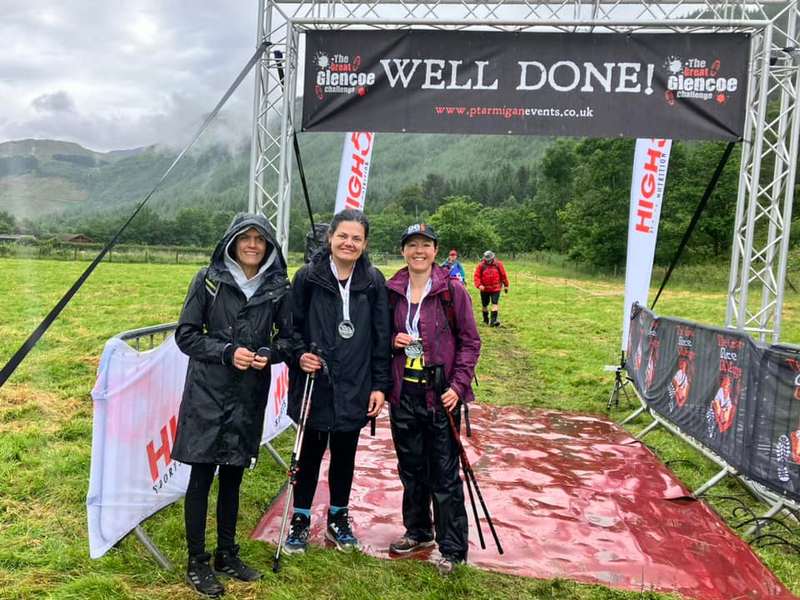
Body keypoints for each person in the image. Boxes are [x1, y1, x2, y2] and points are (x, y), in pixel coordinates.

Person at [173, 213, 293, 598]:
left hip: (247, 395)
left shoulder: (278, 287)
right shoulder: (208, 280)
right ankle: (197, 560)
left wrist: (267, 354)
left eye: (261, 239)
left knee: (234, 476)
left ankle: (227, 553)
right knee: (201, 476)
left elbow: (288, 340)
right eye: (246, 238)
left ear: (270, 246)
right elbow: (186, 336)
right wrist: (226, 352)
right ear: (232, 241)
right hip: (207, 393)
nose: (253, 245)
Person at [283, 208, 392, 554]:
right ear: (330, 237)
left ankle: (338, 517)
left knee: (345, 455)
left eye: (356, 238)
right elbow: (290, 330)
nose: (349, 243)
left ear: (365, 243)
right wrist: (300, 355)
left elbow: (380, 336)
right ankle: (300, 520)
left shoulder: (373, 280)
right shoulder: (307, 278)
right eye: (343, 236)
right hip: (316, 385)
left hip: (355, 386)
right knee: (310, 454)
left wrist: (379, 385)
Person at [385, 223, 481, 576]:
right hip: (403, 394)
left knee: (444, 474)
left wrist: (458, 386)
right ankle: (419, 532)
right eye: (412, 245)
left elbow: (471, 342)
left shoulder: (451, 291)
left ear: (436, 251)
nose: (419, 251)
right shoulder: (392, 290)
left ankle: (453, 549)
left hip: (441, 396)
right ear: (403, 251)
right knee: (411, 470)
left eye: (425, 245)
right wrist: (391, 342)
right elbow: (381, 337)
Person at [473, 250, 509, 327]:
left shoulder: (498, 264)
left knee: (494, 304)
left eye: (490, 259)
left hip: (496, 288)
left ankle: (493, 321)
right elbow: (477, 276)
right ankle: (485, 320)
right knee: (484, 305)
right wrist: (479, 285)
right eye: (487, 260)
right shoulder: (481, 266)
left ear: (493, 258)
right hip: (484, 289)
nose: (488, 261)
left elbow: (503, 275)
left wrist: (506, 285)